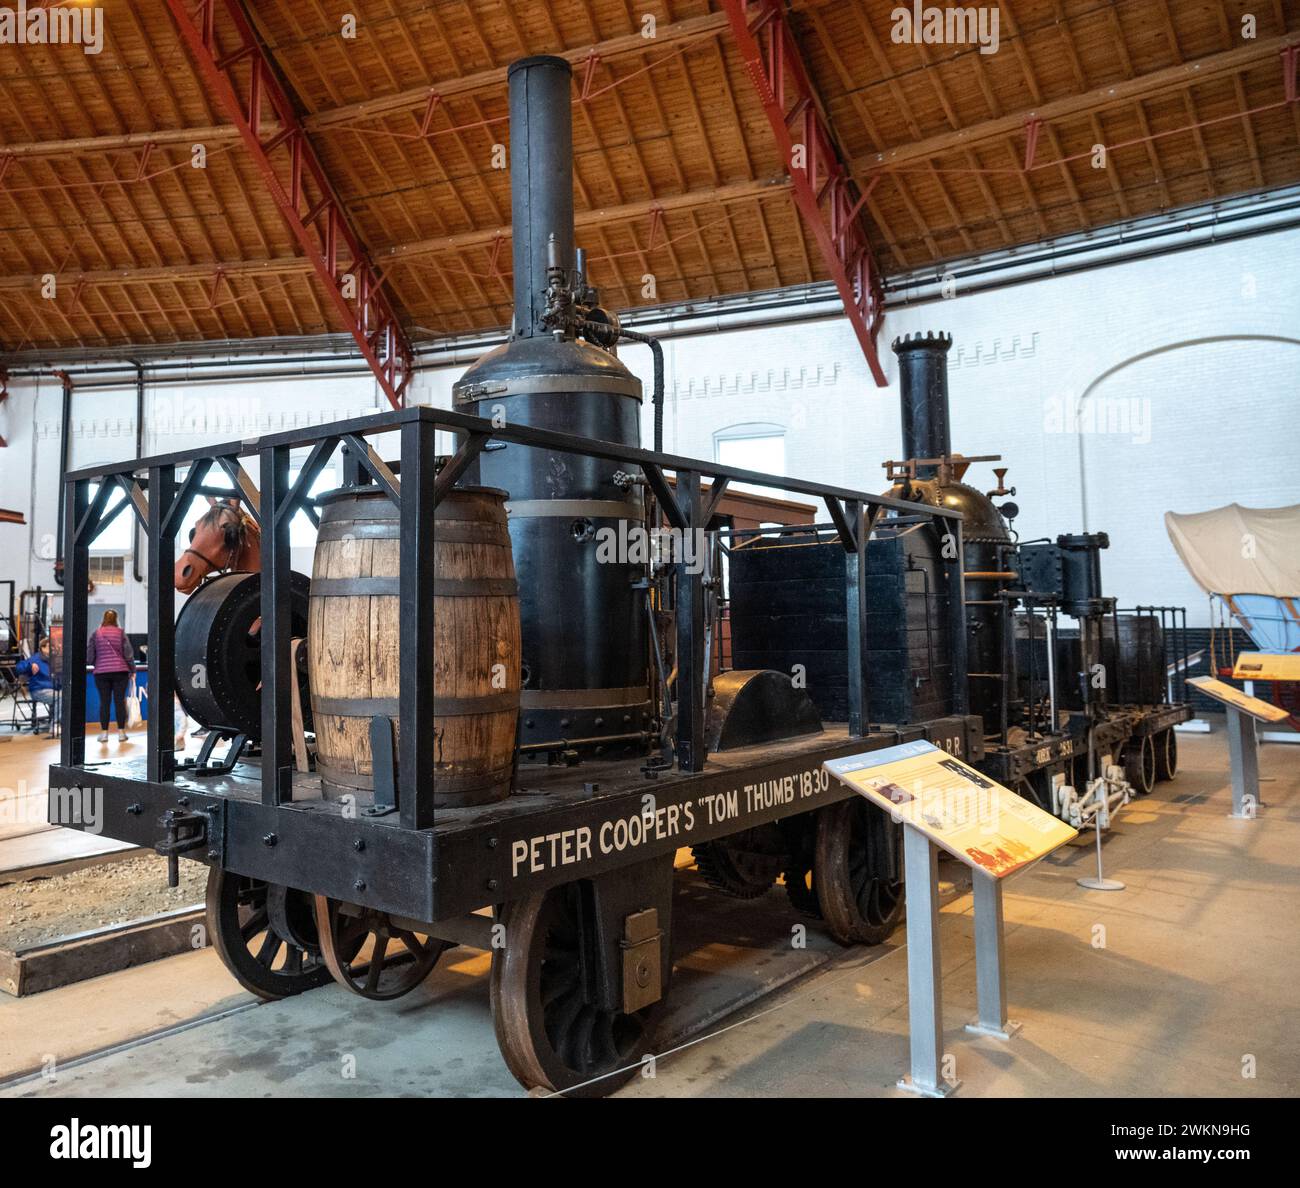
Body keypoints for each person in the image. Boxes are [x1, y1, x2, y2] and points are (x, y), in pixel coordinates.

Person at [87, 609, 136, 743]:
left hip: (101, 673)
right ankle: (121, 733)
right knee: (120, 702)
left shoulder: (96, 634)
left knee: (105, 703)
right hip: (120, 672)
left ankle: (104, 734)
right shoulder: (120, 633)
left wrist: (96, 662)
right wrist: (133, 670)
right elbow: (128, 654)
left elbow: (90, 656)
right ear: (116, 619)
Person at [25, 638, 57, 735]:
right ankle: (56, 724)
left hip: (51, 689)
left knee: (63, 695)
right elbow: (21, 668)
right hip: (39, 690)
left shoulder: (53, 660)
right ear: (42, 648)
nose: (52, 649)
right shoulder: (35, 659)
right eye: (49, 647)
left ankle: (55, 721)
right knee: (60, 697)